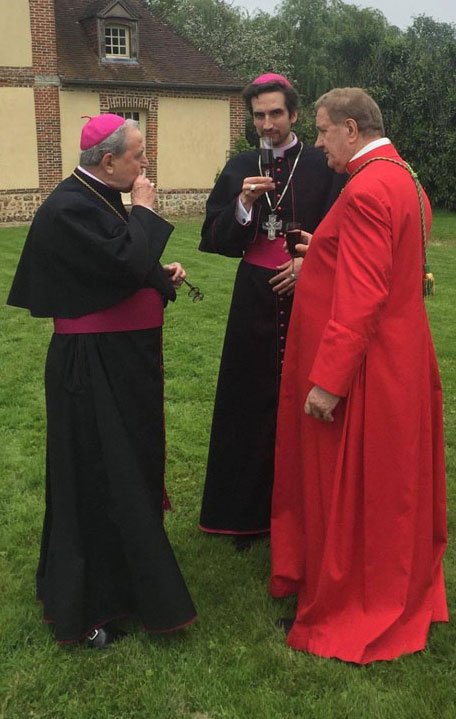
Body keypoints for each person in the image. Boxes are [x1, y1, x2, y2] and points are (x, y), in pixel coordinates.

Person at [269, 88, 448, 664]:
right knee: (392, 486)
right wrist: (324, 251)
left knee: (360, 490)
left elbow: (366, 293)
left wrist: (330, 380)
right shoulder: (405, 178)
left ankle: (355, 600)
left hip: (369, 368)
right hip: (401, 357)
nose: (317, 143)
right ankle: (389, 581)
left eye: (321, 131)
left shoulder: (368, 186)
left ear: (351, 128)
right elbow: (398, 266)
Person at [7, 114, 197, 648]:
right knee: (94, 481)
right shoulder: (69, 205)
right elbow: (125, 255)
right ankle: (89, 605)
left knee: (125, 475)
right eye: (138, 156)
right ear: (109, 160)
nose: (144, 166)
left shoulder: (96, 196)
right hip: (90, 369)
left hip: (117, 362)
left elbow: (119, 269)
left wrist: (160, 275)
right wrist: (146, 210)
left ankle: (127, 587)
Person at [198, 73, 343, 547]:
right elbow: (214, 237)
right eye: (259, 115)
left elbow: (347, 236)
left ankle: (306, 511)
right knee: (250, 401)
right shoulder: (241, 164)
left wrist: (308, 264)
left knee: (304, 400)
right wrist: (242, 203)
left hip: (310, 292)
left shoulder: (322, 164)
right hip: (254, 297)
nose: (267, 124)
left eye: (275, 113)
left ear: (294, 114)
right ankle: (248, 517)